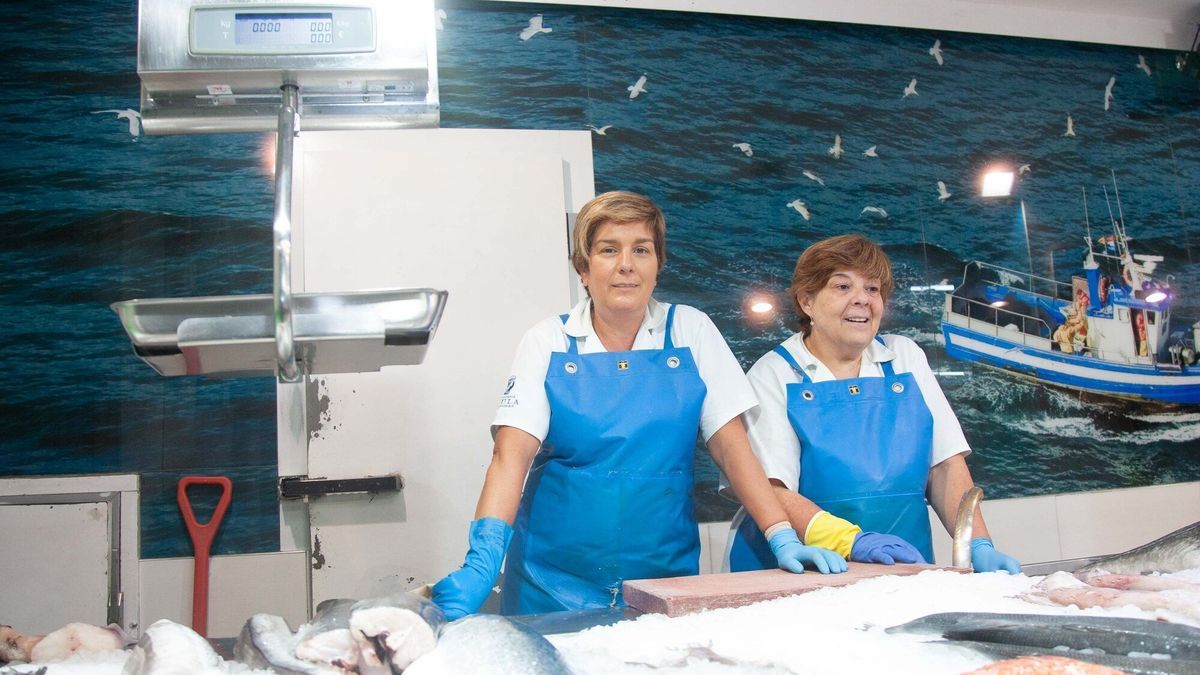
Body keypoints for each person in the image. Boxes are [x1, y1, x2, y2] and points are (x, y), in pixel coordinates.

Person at [432, 191, 847, 620]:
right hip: (549, 580)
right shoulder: (548, 340)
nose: (626, 265)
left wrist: (780, 534)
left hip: (663, 582)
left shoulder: (690, 330)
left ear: (658, 263)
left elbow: (731, 446)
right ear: (583, 268)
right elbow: (510, 456)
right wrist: (482, 562)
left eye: (642, 250)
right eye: (609, 250)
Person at [727, 234, 1020, 574]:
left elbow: (944, 466)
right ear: (807, 301)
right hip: (805, 570)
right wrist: (850, 541)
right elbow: (769, 489)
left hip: (903, 565)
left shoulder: (905, 357)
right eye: (842, 287)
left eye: (872, 289)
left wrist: (977, 543)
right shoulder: (773, 373)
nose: (862, 300)